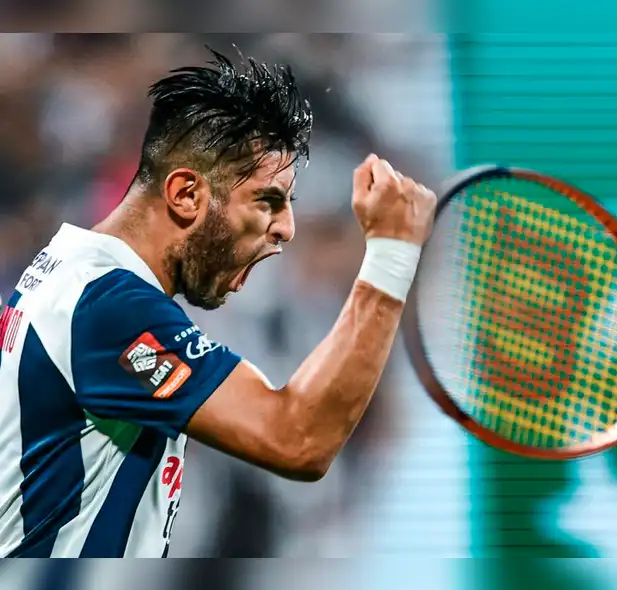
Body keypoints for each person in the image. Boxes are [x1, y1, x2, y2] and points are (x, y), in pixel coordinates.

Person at [0, 48, 436, 558]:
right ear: (186, 193)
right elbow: (297, 440)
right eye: (267, 201)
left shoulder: (70, 270)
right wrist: (390, 255)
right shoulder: (108, 306)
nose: (285, 230)